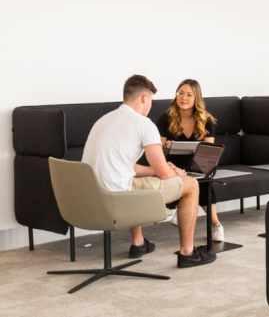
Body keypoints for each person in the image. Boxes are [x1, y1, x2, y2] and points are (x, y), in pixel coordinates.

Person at [81, 75, 215, 268]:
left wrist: (158, 170)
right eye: (151, 100)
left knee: (136, 178)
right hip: (117, 197)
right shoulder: (144, 124)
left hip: (91, 197)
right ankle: (188, 253)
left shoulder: (104, 120)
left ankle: (139, 243)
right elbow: (164, 174)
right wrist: (175, 172)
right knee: (191, 185)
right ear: (145, 98)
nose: (151, 105)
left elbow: (128, 167)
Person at [157, 79, 225, 243]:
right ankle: (215, 224)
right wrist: (167, 146)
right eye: (180, 93)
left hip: (198, 163)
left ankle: (215, 225)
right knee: (194, 180)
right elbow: (158, 149)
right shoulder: (166, 117)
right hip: (172, 164)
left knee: (202, 180)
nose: (183, 98)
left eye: (189, 95)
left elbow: (209, 152)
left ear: (197, 98)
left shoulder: (206, 119)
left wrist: (197, 149)